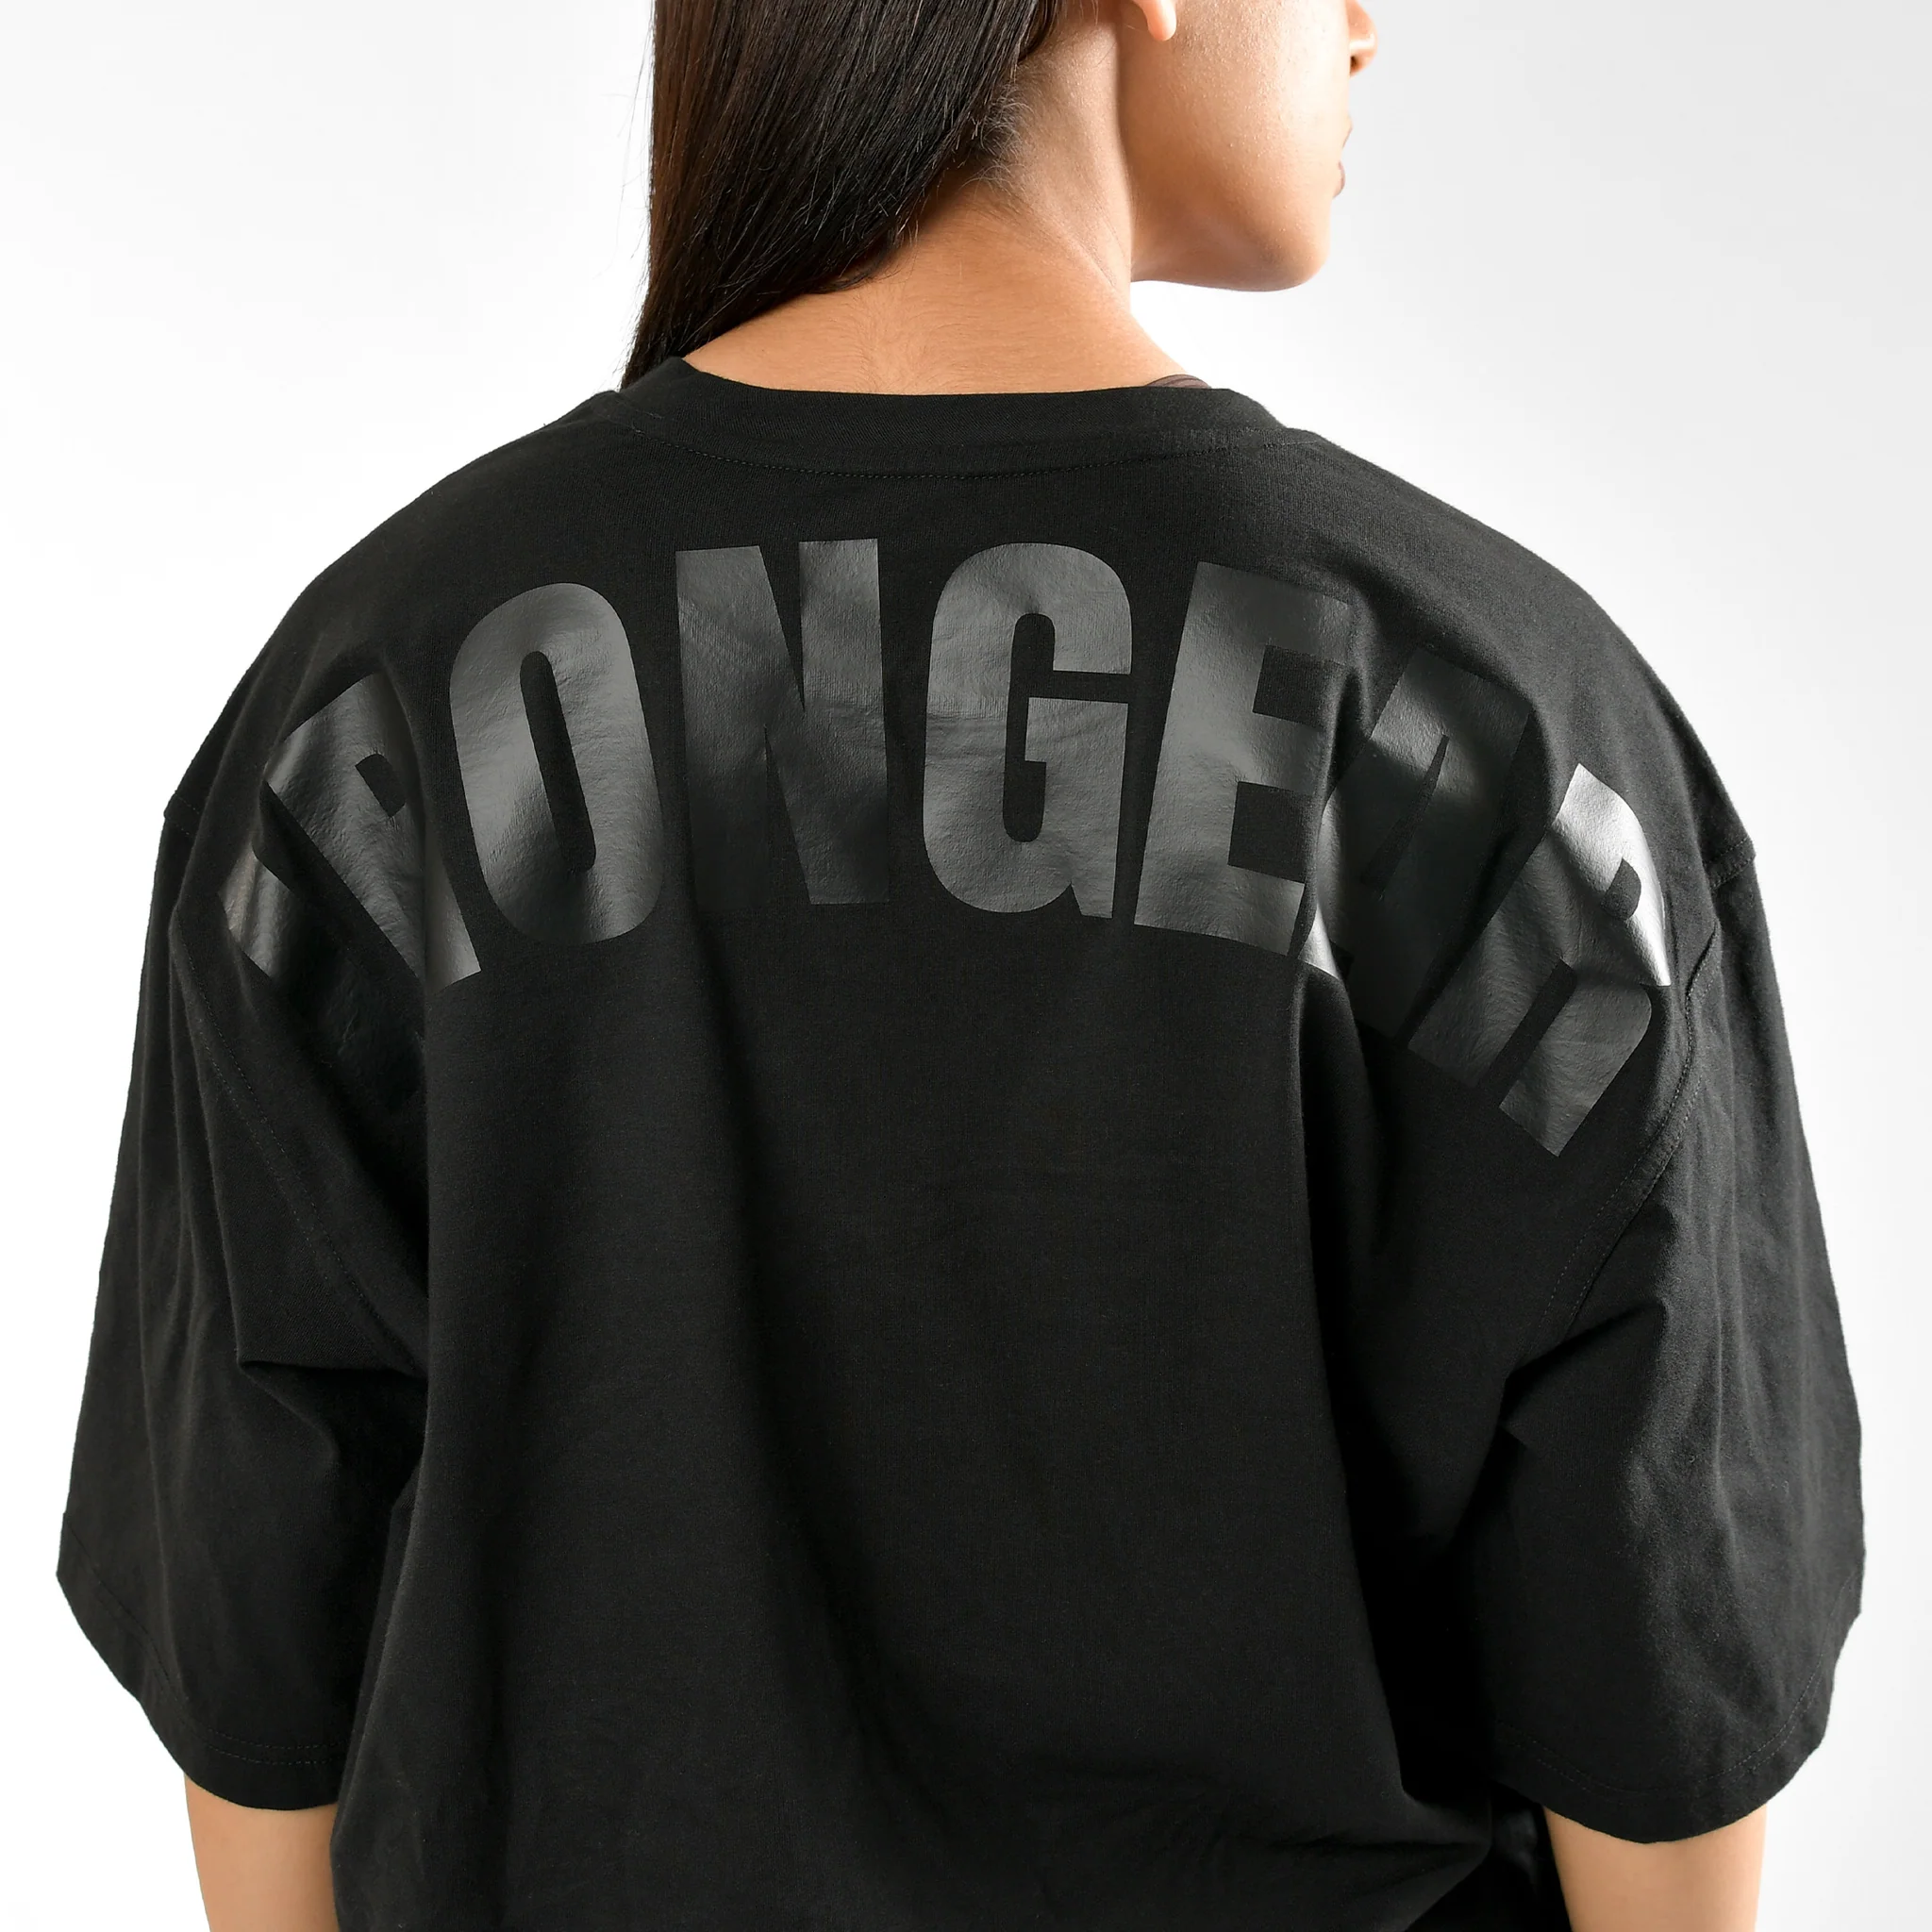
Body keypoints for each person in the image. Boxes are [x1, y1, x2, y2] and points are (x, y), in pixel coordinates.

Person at [58, 0, 1861, 1925]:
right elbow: (1662, 1695)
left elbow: (259, 1647)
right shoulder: (1501, 713)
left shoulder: (370, 701)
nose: (1360, 28)